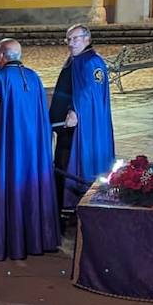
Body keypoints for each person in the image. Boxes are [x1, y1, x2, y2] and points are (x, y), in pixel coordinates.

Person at [0, 40, 61, 261]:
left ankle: (3, 239)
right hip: (30, 151)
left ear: (2, 56)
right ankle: (33, 238)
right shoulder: (34, 78)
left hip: (6, 150)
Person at [49, 24, 115, 215]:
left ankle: (76, 204)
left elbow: (90, 93)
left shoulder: (91, 62)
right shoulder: (75, 60)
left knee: (72, 162)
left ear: (87, 39)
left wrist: (76, 112)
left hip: (80, 127)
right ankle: (62, 205)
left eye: (75, 39)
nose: (70, 43)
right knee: (62, 161)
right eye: (68, 39)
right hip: (65, 126)